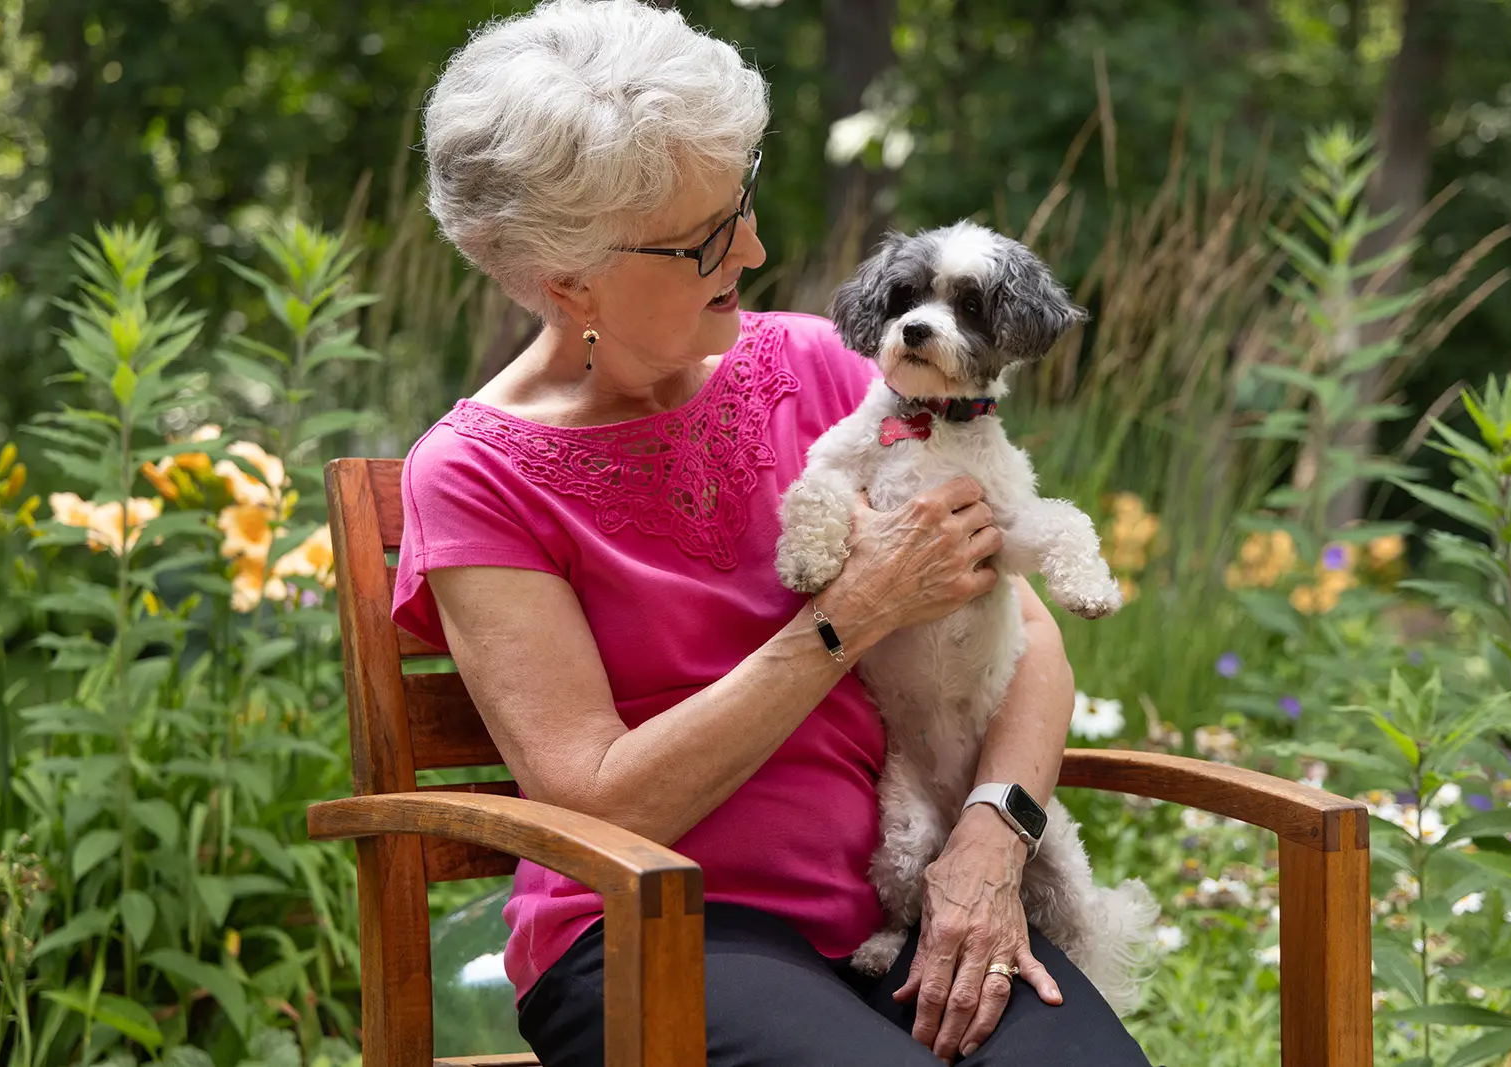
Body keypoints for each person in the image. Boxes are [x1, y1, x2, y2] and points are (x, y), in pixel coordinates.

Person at [392, 1, 1152, 1063]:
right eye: (705, 235)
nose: (750, 243)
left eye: (737, 200)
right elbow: (601, 799)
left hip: (911, 887)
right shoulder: (474, 475)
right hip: (655, 924)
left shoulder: (824, 368)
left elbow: (1027, 638)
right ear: (570, 279)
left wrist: (990, 834)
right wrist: (850, 615)